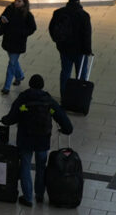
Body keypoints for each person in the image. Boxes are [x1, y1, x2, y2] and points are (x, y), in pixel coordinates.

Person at [6, 73, 73, 205]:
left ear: (30, 84)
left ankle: (27, 197)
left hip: (25, 139)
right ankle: (40, 195)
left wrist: (5, 120)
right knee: (41, 167)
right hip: (43, 140)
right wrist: (67, 129)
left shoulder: (23, 98)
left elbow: (13, 116)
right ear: (42, 86)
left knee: (25, 166)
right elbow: (60, 115)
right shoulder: (48, 100)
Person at [47, 0, 92, 88]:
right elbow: (87, 34)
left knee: (65, 72)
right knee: (81, 73)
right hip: (80, 50)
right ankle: (79, 93)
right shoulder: (84, 15)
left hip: (64, 48)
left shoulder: (58, 13)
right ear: (78, 1)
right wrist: (88, 50)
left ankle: (64, 93)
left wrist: (57, 41)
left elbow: (51, 28)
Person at [0, 0, 36, 93]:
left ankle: (7, 87)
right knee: (13, 60)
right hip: (8, 40)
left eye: (19, 1)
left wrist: (23, 33)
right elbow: (0, 20)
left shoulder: (28, 15)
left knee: (12, 63)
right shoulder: (9, 9)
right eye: (16, 0)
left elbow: (32, 28)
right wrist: (2, 21)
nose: (16, 3)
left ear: (24, 3)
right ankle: (20, 76)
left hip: (18, 42)